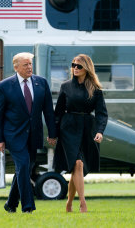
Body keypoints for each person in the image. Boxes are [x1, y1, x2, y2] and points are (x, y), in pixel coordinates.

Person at [0, 52, 57, 213]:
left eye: (30, 64)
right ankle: (28, 206)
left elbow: (48, 111)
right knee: (22, 164)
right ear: (16, 67)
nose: (29, 67)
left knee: (26, 168)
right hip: (13, 135)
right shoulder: (5, 86)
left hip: (34, 135)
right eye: (25, 65)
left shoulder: (41, 83)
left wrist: (52, 133)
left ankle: (11, 203)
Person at [53, 54, 108, 213]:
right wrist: (53, 134)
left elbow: (102, 113)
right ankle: (83, 203)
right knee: (78, 164)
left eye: (79, 66)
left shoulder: (96, 89)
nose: (75, 68)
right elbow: (58, 113)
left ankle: (69, 203)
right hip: (68, 128)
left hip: (87, 129)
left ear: (87, 69)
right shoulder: (66, 86)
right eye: (73, 65)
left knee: (77, 169)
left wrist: (100, 131)